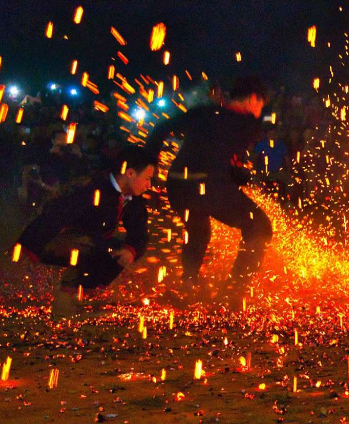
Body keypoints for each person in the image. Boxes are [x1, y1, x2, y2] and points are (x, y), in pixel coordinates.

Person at [145, 77, 273, 300]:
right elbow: (228, 159)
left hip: (177, 183)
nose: (260, 110)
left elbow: (161, 128)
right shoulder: (248, 124)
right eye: (261, 104)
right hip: (206, 187)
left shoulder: (204, 113)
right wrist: (241, 175)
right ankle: (234, 291)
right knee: (260, 225)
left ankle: (188, 284)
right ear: (253, 98)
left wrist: (149, 164)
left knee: (198, 231)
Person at [17, 145, 155, 319]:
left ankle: (84, 297)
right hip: (56, 240)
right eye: (147, 178)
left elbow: (139, 233)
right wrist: (28, 248)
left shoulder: (133, 201)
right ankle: (65, 305)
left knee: (116, 250)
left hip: (90, 244)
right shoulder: (92, 188)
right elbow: (54, 216)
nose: (149, 185)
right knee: (90, 246)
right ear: (130, 173)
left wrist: (130, 251)